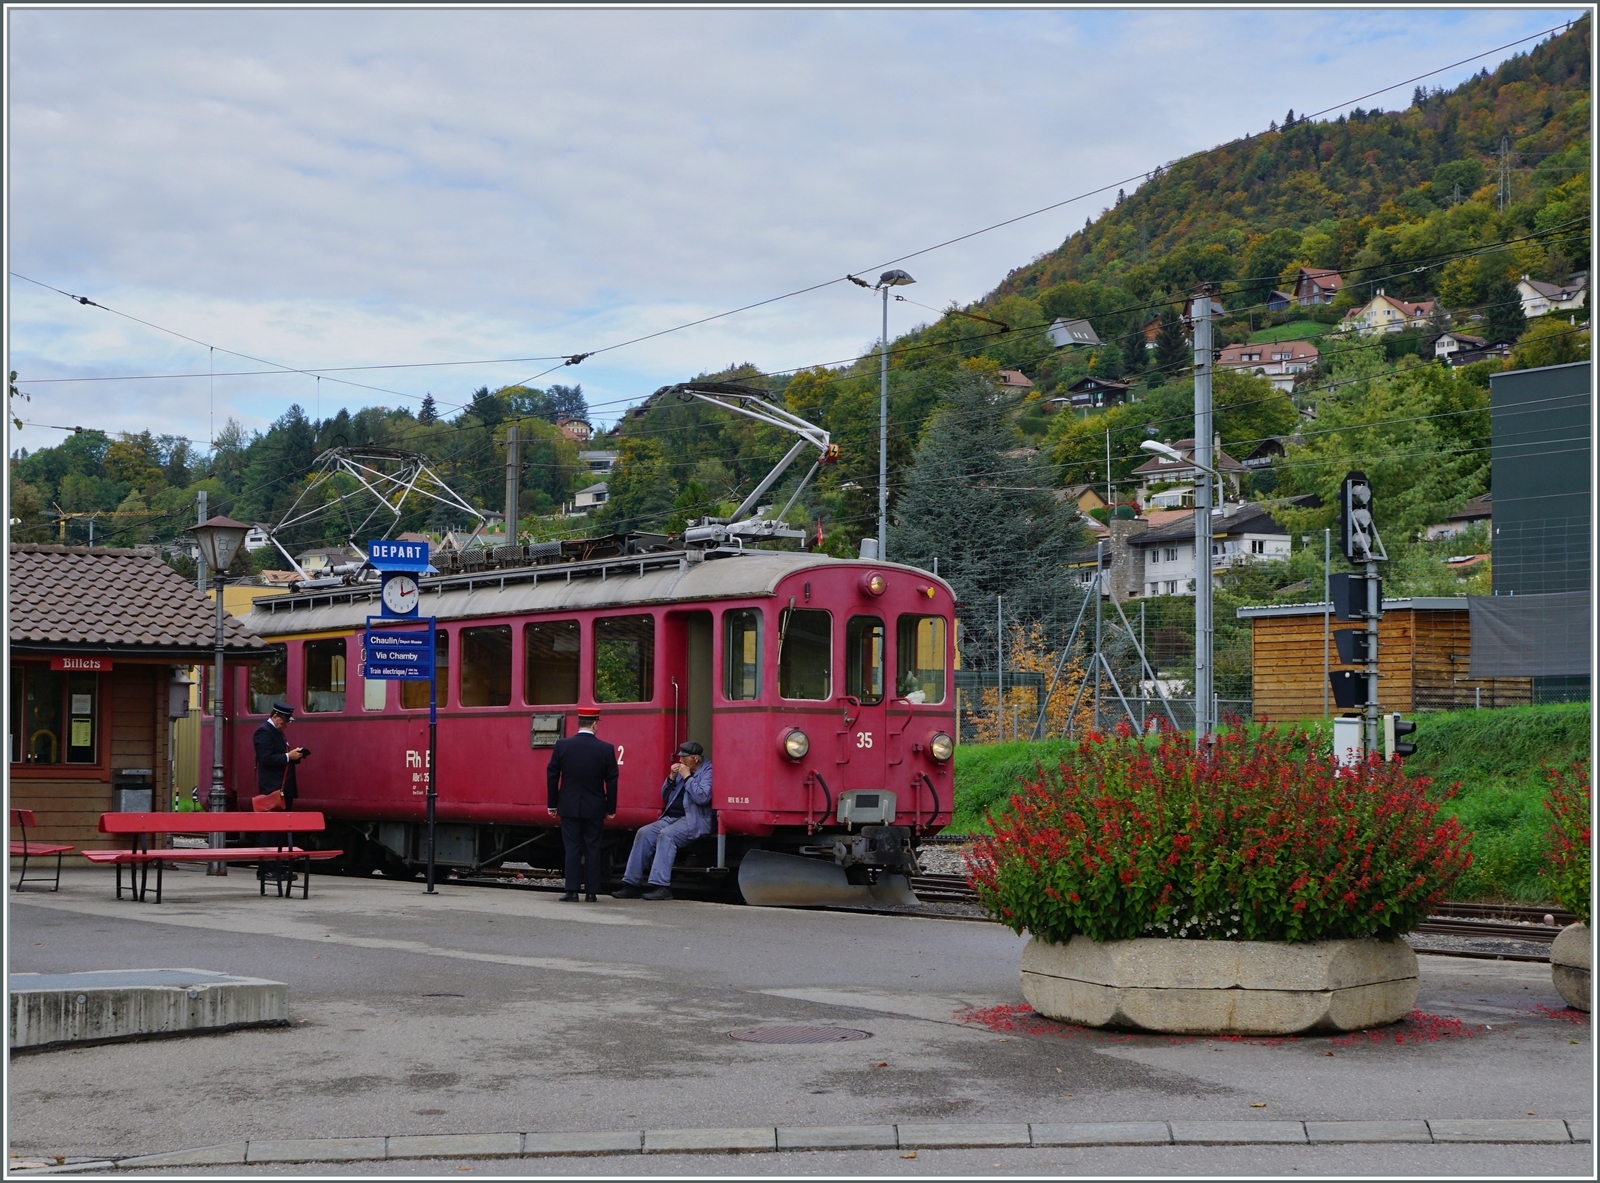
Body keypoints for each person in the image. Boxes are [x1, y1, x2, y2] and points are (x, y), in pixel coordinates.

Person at [613, 741, 712, 902]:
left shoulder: (708, 771)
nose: (681, 761)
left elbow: (702, 797)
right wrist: (671, 778)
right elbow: (665, 797)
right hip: (671, 818)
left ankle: (661, 887)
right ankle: (632, 884)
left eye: (684, 758)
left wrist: (687, 777)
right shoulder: (682, 771)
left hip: (694, 820)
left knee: (667, 835)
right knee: (644, 833)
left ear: (695, 758)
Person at [546, 710, 618, 902]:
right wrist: (611, 808)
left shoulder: (562, 746)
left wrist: (552, 804)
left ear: (579, 724)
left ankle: (572, 890)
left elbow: (552, 775)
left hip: (568, 805)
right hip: (595, 807)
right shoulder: (606, 748)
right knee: (593, 848)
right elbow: (612, 780)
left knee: (572, 848)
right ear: (594, 724)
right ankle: (591, 892)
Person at [253, 702, 307, 884]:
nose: (286, 725)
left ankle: (278, 865)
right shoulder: (263, 732)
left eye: (287, 722)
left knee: (281, 830)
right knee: (271, 830)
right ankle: (266, 868)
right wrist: (287, 756)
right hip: (273, 789)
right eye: (284, 721)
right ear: (275, 717)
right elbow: (265, 759)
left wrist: (295, 756)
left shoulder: (277, 732)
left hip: (283, 789)